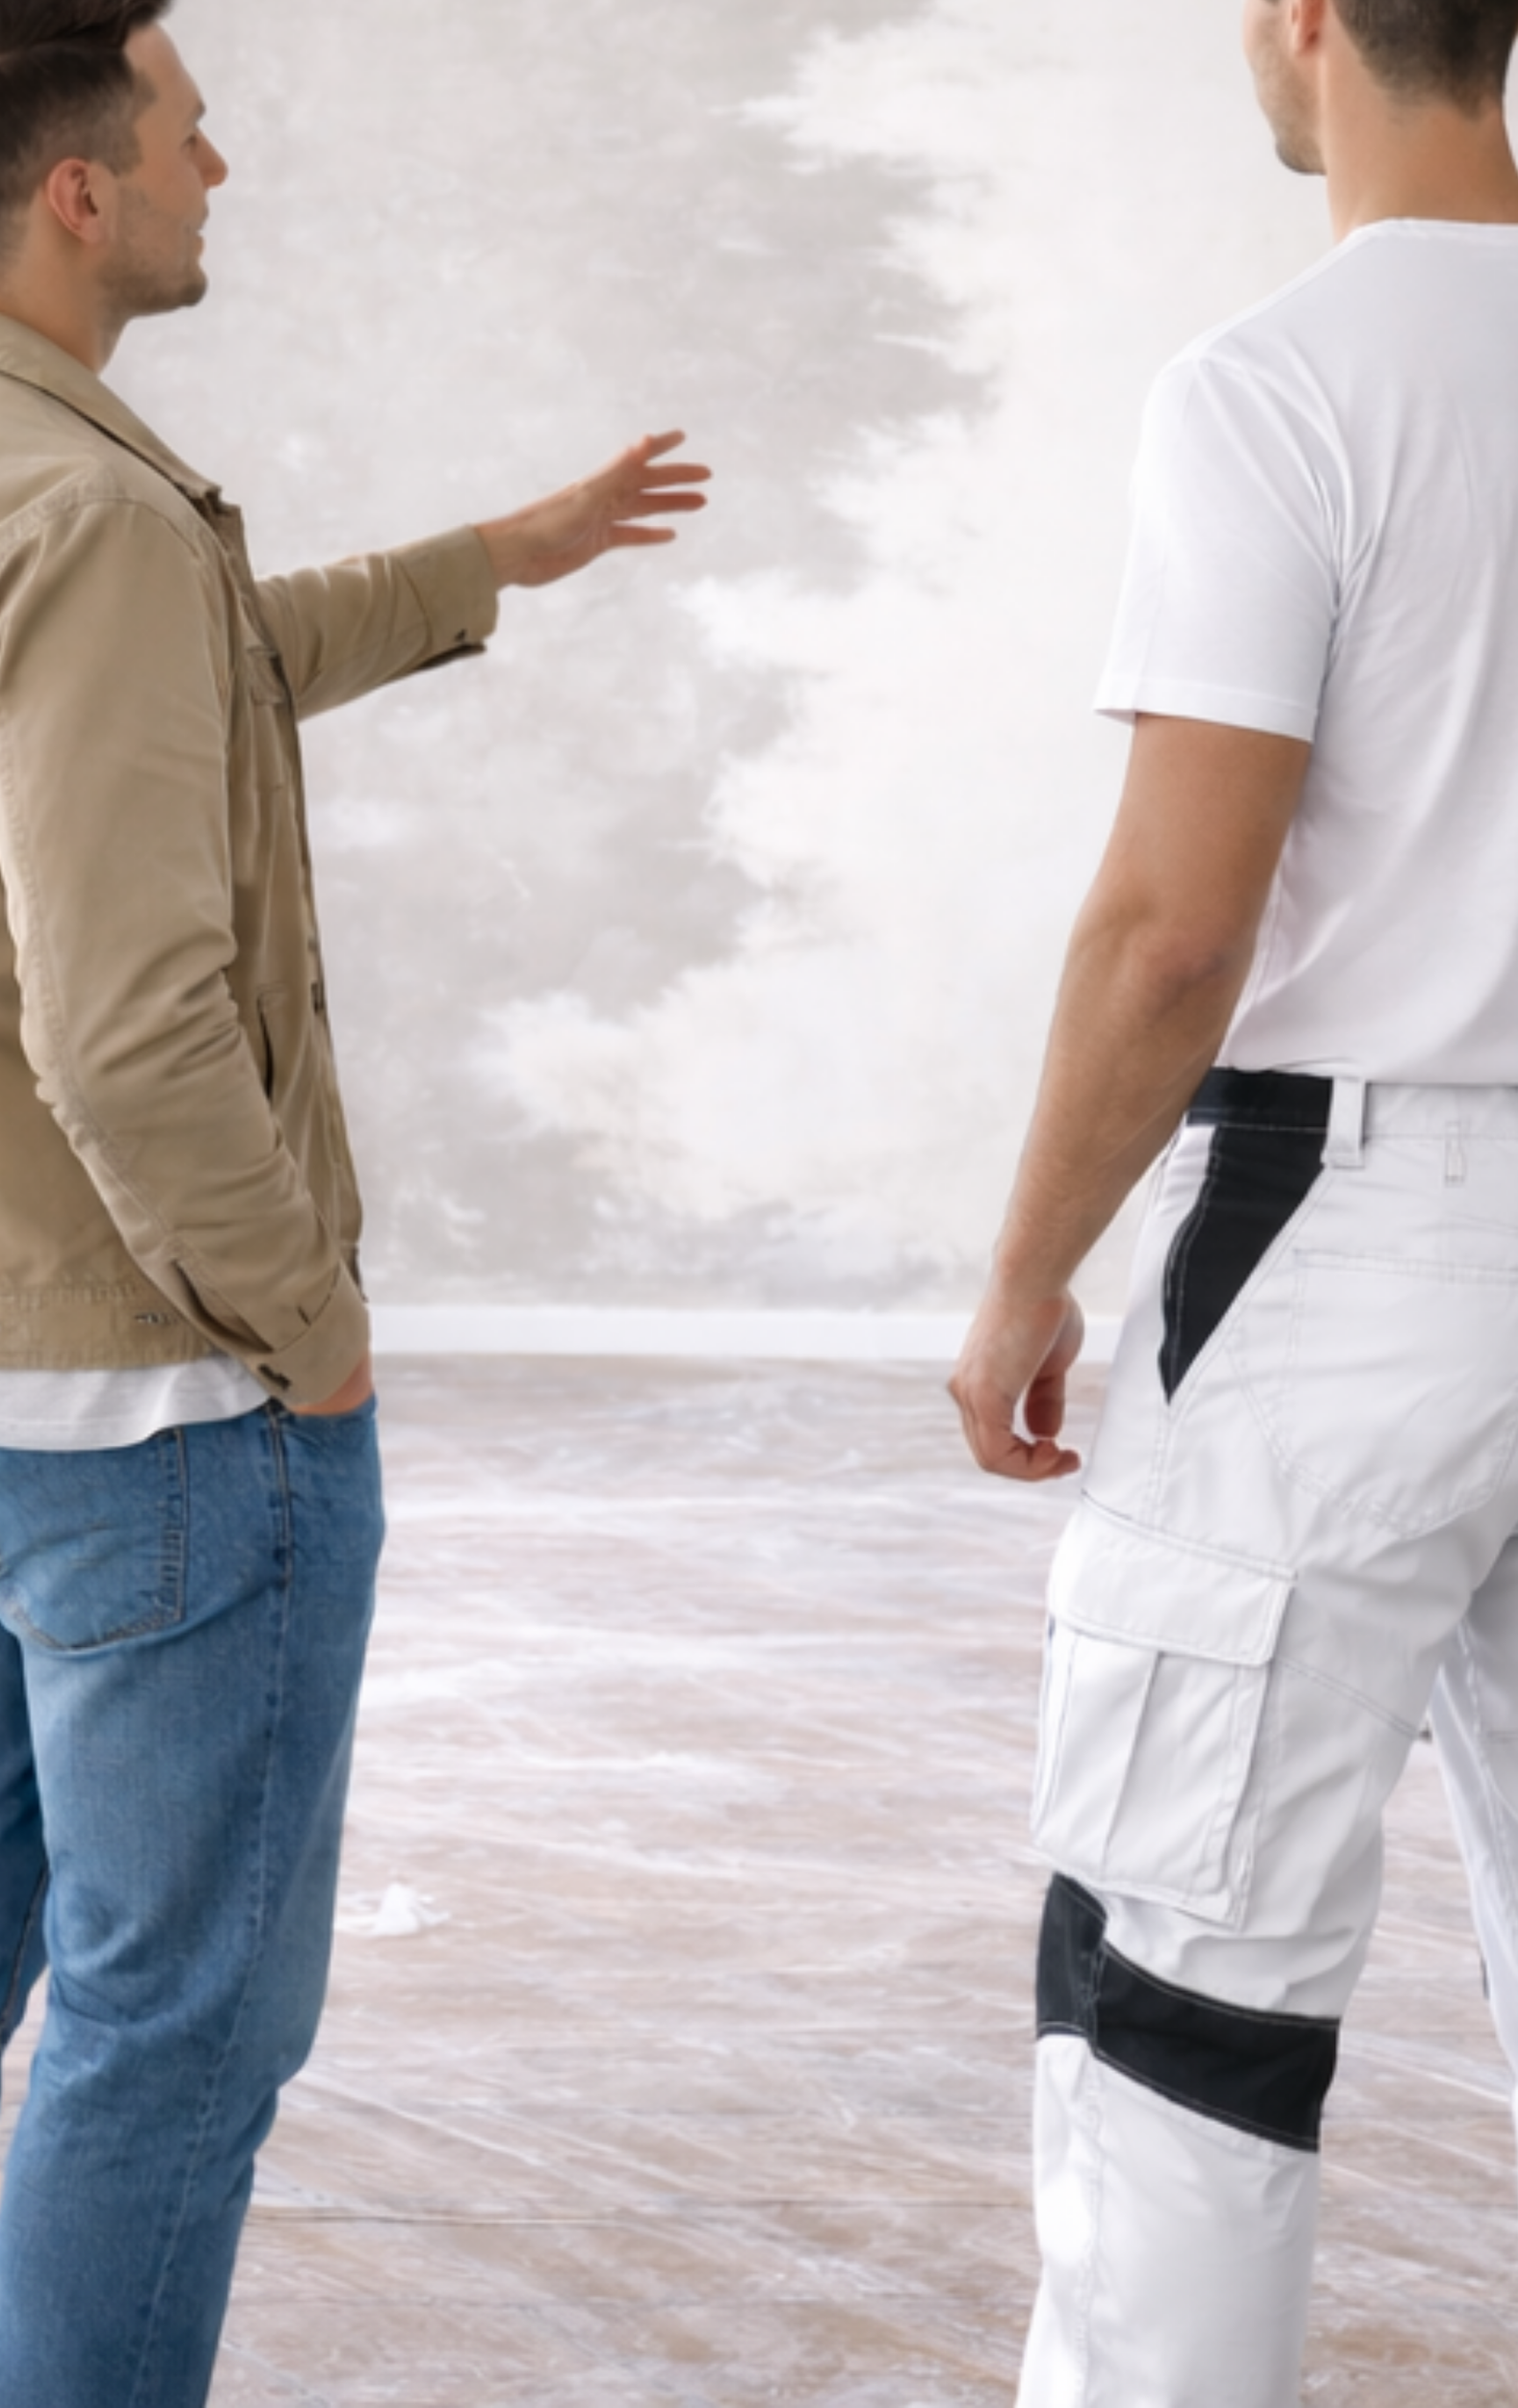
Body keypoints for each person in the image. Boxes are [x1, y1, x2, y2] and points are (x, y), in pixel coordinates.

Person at [0, 5, 706, 2402]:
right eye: (183, 131)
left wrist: (497, 557)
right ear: (78, 190)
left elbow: (191, 678)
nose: (217, 167)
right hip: (146, 1416)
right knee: (166, 2032)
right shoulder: (81, 513)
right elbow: (131, 1033)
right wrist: (307, 1332)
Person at [949, 0, 1518, 2396]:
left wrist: (1018, 1275)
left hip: (1352, 1241)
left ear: (1302, 23)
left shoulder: (1279, 382)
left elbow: (1174, 923)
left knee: (1181, 1997)